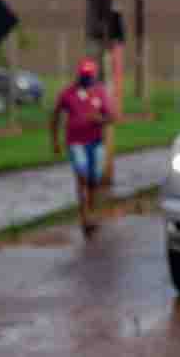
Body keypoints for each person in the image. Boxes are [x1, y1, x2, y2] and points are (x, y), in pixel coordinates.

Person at [51, 58, 115, 237]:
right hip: (75, 143)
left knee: (94, 180)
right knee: (82, 177)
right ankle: (84, 217)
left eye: (89, 75)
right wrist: (55, 141)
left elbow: (112, 117)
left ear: (93, 75)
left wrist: (100, 119)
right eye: (84, 75)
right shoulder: (68, 94)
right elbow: (55, 116)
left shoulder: (100, 92)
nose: (86, 79)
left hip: (96, 143)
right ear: (78, 75)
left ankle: (92, 212)